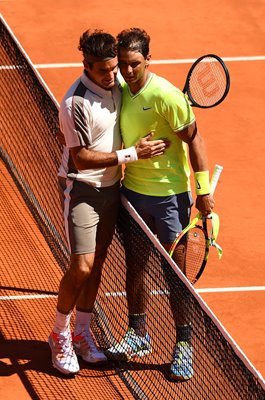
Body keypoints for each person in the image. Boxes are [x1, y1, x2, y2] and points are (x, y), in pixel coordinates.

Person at [48, 29, 167, 375]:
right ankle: (59, 333)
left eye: (114, 68)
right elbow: (82, 158)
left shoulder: (117, 86)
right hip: (82, 189)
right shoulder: (75, 103)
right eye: (104, 70)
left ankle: (83, 333)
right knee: (82, 266)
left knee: (98, 264)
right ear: (86, 64)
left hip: (112, 189)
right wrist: (132, 154)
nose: (113, 75)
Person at [105, 28, 215, 382]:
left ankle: (184, 345)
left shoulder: (167, 95)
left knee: (175, 276)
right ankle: (138, 334)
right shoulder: (120, 90)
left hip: (170, 199)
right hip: (132, 193)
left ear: (148, 59)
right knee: (135, 267)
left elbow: (195, 142)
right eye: (122, 64)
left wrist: (203, 191)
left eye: (134, 64)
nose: (128, 70)